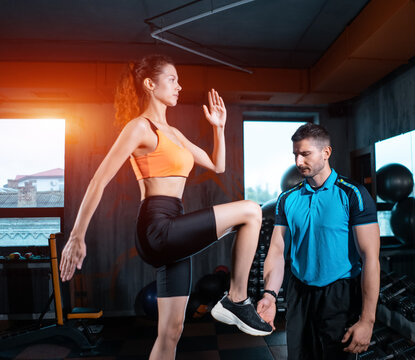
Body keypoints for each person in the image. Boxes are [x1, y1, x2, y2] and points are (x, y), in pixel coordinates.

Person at [59, 54, 272, 360]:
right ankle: (236, 300)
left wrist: (219, 128)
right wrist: (77, 236)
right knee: (252, 211)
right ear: (150, 84)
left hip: (176, 229)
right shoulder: (139, 127)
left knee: (171, 331)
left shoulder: (175, 134)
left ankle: (232, 303)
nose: (179, 86)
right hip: (157, 228)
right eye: (172, 79)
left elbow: (218, 165)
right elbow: (98, 180)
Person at [257, 123, 380, 359]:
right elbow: (277, 250)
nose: (298, 162)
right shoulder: (287, 198)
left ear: (326, 153)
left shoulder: (352, 194)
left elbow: (370, 259)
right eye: (295, 154)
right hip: (299, 294)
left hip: (340, 294)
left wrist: (367, 320)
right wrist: (270, 295)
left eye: (305, 154)